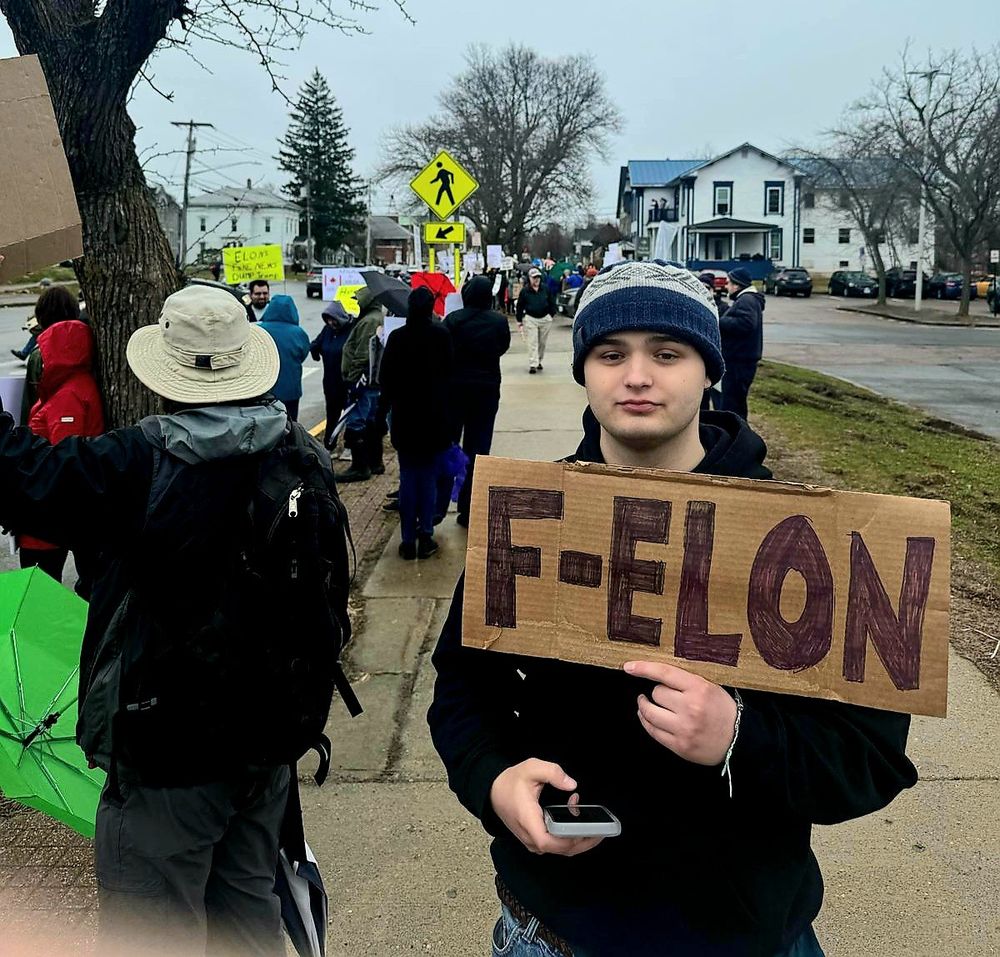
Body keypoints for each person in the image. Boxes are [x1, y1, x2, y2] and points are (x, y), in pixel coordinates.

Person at [428, 259, 917, 957]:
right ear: (584, 369)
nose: (636, 375)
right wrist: (494, 779)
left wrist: (739, 737)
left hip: (746, 936)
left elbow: (871, 758)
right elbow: (461, 689)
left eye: (667, 352)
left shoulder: (807, 538)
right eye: (609, 352)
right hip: (554, 930)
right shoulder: (531, 520)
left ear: (709, 369)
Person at [0, 286, 299, 955]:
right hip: (265, 748)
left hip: (167, 760)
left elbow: (24, 478)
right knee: (247, 923)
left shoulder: (140, 464)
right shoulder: (294, 452)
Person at [15, 286, 103, 594]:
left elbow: (65, 460)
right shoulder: (70, 385)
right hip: (50, 511)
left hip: (47, 514)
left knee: (40, 594)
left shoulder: (68, 395)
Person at [378, 287, 454, 560]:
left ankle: (407, 539)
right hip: (435, 420)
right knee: (430, 479)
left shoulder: (397, 338)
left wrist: (379, 416)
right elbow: (450, 378)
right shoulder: (441, 336)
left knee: (409, 479)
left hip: (405, 420)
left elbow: (385, 381)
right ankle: (426, 534)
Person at [443, 275, 511, 526]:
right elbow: (502, 347)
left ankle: (443, 498)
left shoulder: (453, 320)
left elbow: (445, 350)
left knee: (451, 445)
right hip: (487, 389)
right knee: (479, 450)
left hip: (456, 389)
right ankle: (469, 507)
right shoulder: (498, 321)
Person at [337, 286, 387, 482]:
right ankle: (375, 462)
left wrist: (352, 378)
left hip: (363, 381)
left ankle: (359, 466)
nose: (356, 303)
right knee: (372, 420)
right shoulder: (374, 318)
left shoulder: (370, 320)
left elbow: (363, 354)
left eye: (359, 299)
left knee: (357, 421)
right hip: (372, 381)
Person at [718, 267, 765, 420]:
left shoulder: (747, 300)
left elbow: (746, 324)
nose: (726, 286)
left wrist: (719, 322)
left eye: (729, 283)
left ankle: (736, 437)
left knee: (733, 404)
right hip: (740, 359)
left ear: (737, 285)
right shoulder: (748, 299)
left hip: (739, 361)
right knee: (735, 402)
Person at [259, 294, 310, 421]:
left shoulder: (260, 330)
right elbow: (303, 354)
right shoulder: (298, 333)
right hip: (291, 389)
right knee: (291, 423)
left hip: (265, 390)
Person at [311, 301, 354, 450]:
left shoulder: (351, 330)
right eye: (328, 319)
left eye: (333, 319)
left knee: (349, 416)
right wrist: (315, 352)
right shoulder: (327, 330)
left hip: (347, 381)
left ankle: (350, 447)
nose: (331, 322)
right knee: (332, 414)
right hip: (330, 382)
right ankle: (329, 445)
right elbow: (316, 344)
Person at [515, 267, 556, 374]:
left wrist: (551, 315)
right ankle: (533, 364)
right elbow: (520, 306)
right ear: (529, 278)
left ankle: (539, 361)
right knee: (532, 342)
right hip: (531, 318)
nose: (536, 279)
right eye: (534, 278)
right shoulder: (524, 291)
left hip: (545, 318)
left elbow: (552, 302)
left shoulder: (545, 289)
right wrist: (519, 320)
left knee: (542, 342)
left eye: (538, 277)